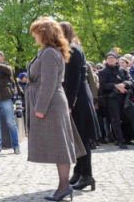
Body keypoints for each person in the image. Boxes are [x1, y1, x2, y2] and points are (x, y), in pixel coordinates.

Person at [26, 17, 85, 202]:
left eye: (36, 33)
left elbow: (49, 83)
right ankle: (63, 186)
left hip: (50, 104)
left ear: (44, 34)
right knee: (60, 146)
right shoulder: (48, 52)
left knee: (60, 147)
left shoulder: (50, 53)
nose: (34, 36)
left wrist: (40, 108)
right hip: (51, 103)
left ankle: (64, 187)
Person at [59, 22, 99, 192]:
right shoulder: (73, 47)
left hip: (79, 98)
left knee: (82, 139)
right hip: (79, 96)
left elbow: (74, 78)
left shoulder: (73, 49)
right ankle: (79, 171)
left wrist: (69, 102)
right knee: (77, 138)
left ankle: (87, 175)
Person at [98, 51, 134, 148]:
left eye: (112, 58)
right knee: (116, 120)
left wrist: (124, 84)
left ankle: (128, 138)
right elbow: (103, 86)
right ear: (106, 60)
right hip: (112, 99)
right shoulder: (102, 72)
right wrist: (116, 86)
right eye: (109, 58)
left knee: (131, 116)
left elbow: (131, 82)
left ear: (116, 59)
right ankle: (120, 140)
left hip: (125, 98)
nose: (110, 60)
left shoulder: (123, 70)